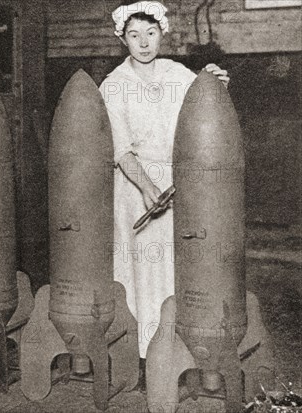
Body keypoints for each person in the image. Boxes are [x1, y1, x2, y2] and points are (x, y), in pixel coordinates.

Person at [99, 1, 229, 391]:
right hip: (137, 187)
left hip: (181, 185)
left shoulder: (177, 74)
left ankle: (185, 355)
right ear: (122, 38)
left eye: (151, 33)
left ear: (163, 33)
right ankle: (146, 364)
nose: (143, 42)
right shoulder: (114, 84)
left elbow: (204, 104)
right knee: (143, 275)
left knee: (180, 271)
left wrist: (215, 82)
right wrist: (149, 188)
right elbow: (120, 150)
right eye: (134, 35)